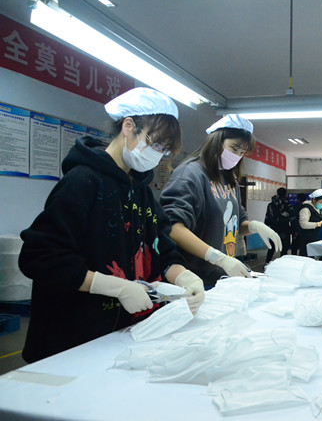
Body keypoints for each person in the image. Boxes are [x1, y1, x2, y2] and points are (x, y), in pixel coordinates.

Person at [18, 88, 206, 363]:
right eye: (155, 144)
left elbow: (163, 248)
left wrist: (184, 277)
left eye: (164, 151)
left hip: (120, 337)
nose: (157, 155)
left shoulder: (142, 192)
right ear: (128, 127)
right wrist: (114, 287)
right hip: (71, 341)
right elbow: (40, 257)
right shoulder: (82, 182)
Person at [160, 114, 281, 287]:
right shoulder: (190, 174)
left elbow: (238, 223)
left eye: (242, 153)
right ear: (216, 141)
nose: (237, 156)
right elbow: (173, 228)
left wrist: (254, 226)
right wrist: (217, 257)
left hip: (220, 277)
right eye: (234, 149)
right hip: (193, 278)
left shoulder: (228, 179)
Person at [264, 187, 294, 263]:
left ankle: (267, 262)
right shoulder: (288, 205)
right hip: (285, 229)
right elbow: (292, 218)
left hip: (274, 229)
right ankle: (283, 263)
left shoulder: (271, 205)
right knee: (284, 248)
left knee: (271, 247)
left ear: (277, 193)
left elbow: (267, 217)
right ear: (285, 194)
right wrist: (293, 230)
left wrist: (266, 228)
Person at [297, 189, 322, 257]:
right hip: (307, 239)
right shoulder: (306, 209)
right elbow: (303, 224)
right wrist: (317, 224)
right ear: (314, 200)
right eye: (320, 202)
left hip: (318, 239)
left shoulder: (321, 209)